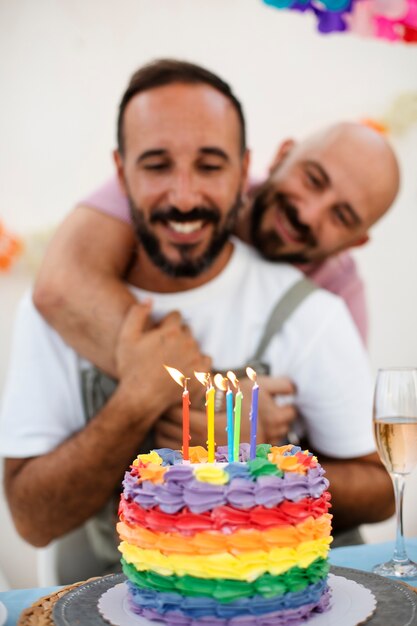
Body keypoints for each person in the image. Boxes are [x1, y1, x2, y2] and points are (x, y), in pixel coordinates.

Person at [0, 60, 394, 574]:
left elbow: (377, 484)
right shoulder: (63, 298)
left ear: (239, 172)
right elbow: (32, 520)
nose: (184, 195)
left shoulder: (321, 305)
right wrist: (139, 400)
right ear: (121, 174)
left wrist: (260, 461)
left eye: (210, 166)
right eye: (157, 165)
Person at [32, 122, 400, 368]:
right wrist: (216, 406)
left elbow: (333, 438)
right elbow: (60, 287)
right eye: (313, 180)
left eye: (342, 216)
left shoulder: (338, 302)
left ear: (356, 241)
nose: (308, 213)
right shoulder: (192, 188)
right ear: (282, 155)